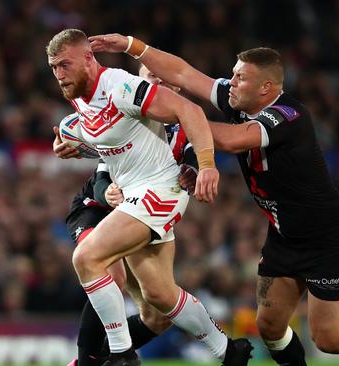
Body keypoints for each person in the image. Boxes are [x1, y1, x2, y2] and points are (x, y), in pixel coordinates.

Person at [88, 34, 339, 366]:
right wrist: (133, 46)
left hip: (324, 237)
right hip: (283, 234)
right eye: (234, 75)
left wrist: (178, 115)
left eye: (240, 79)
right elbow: (182, 73)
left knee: (329, 338)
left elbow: (234, 140)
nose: (230, 83)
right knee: (269, 326)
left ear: (265, 88)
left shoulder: (287, 116)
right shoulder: (239, 98)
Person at [47, 29, 252, 366]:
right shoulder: (80, 94)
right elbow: (112, 139)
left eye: (64, 65)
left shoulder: (123, 87)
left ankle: (119, 356)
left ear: (88, 58)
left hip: (158, 192)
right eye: (54, 67)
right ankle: (230, 353)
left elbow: (191, 112)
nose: (59, 74)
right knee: (159, 299)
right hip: (133, 196)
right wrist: (75, 145)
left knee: (88, 258)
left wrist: (205, 165)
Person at [59, 66, 199, 366]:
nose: (158, 83)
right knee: (111, 273)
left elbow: (194, 159)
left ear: (176, 88)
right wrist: (105, 190)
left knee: (158, 317)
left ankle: (101, 359)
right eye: (150, 78)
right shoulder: (126, 113)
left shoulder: (184, 131)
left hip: (138, 218)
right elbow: (99, 177)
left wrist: (198, 170)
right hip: (95, 209)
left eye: (164, 78)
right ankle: (88, 361)